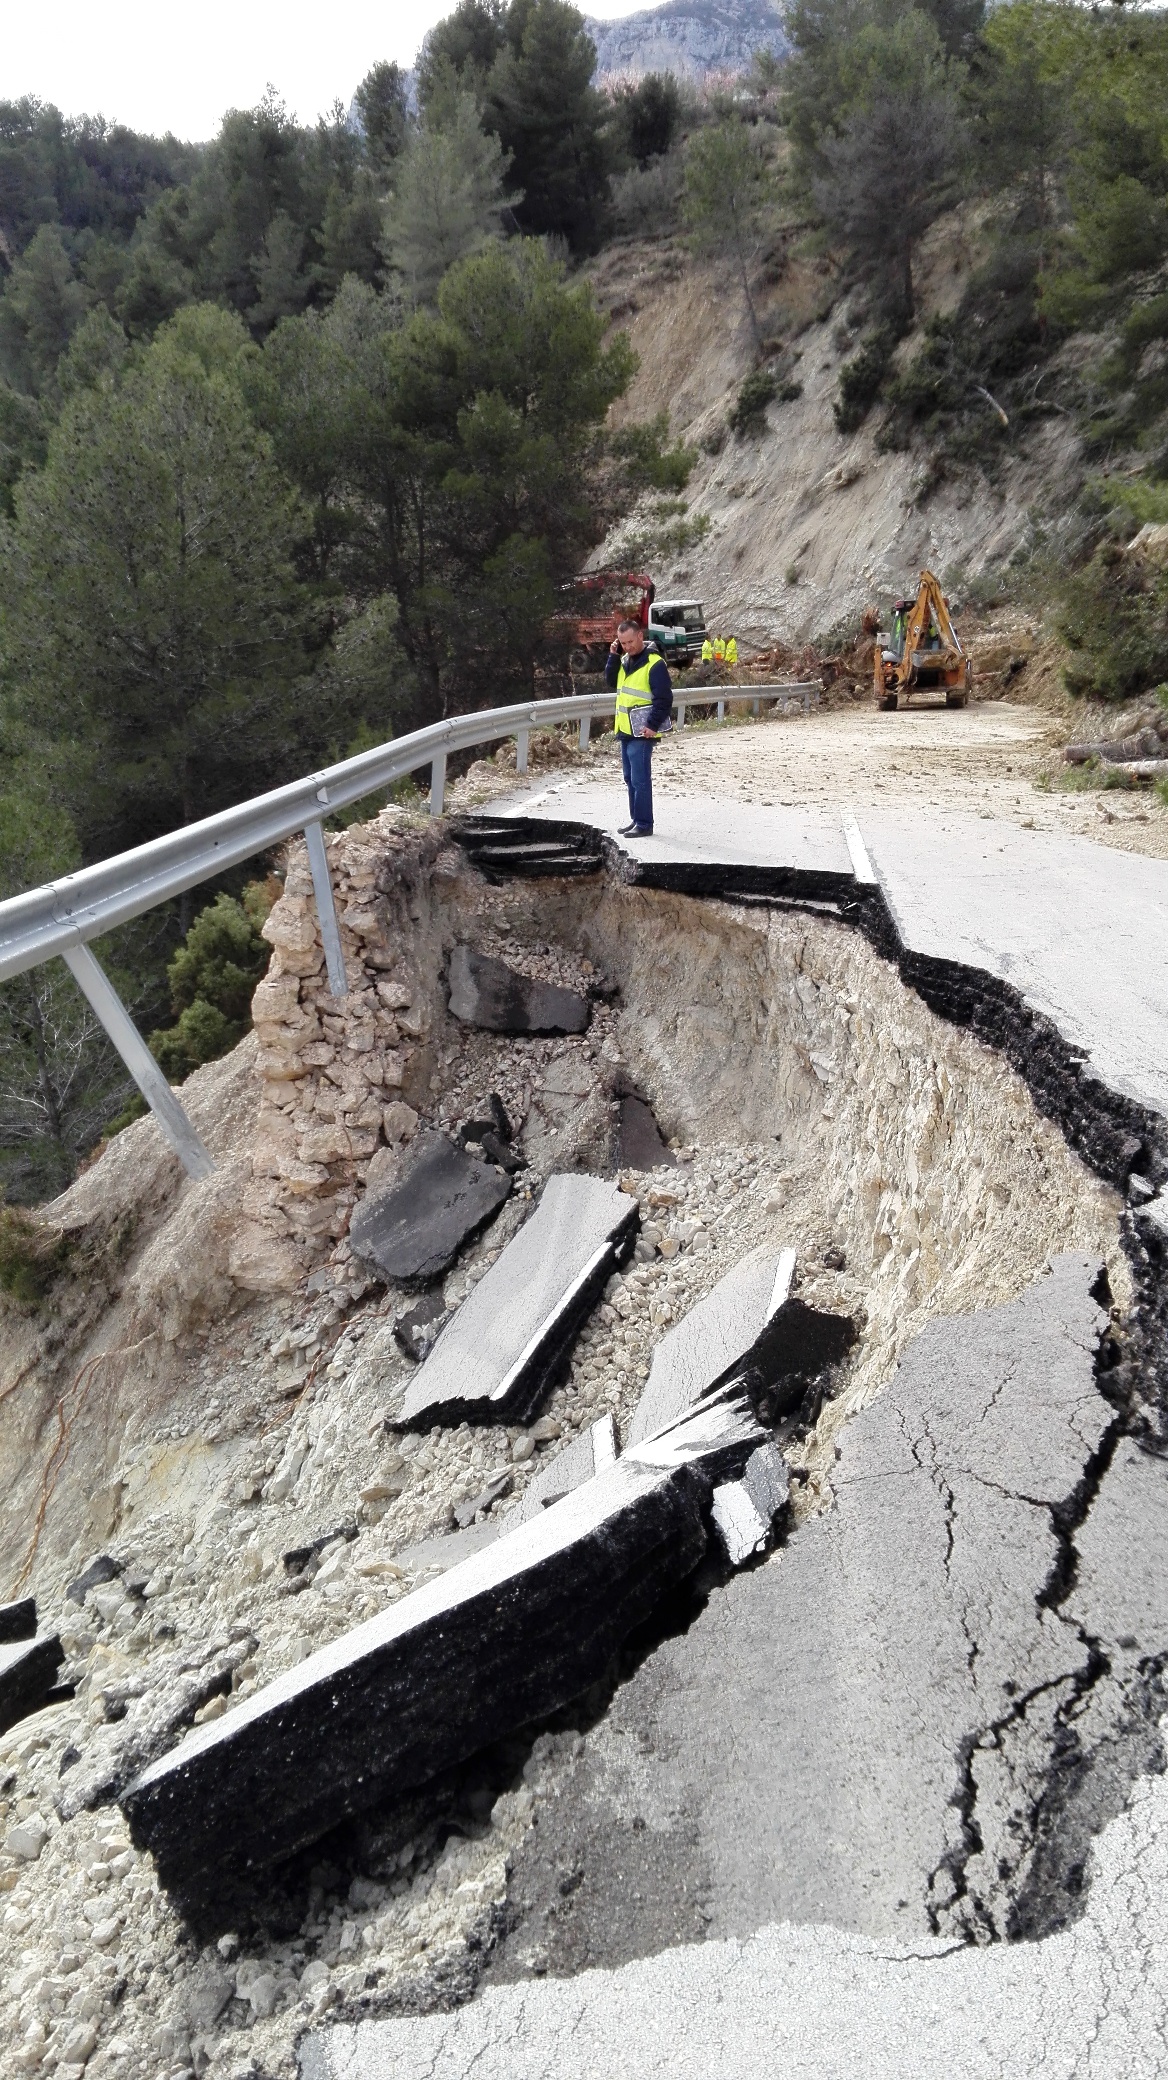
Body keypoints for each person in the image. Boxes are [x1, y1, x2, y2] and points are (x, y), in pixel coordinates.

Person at [606, 618, 672, 837]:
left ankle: (644, 824)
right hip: (625, 730)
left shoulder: (655, 663)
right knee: (629, 777)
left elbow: (664, 699)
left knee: (639, 778)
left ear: (640, 636)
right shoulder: (624, 661)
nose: (627, 646)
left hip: (643, 732)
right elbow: (610, 681)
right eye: (623, 643)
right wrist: (613, 656)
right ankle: (636, 820)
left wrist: (652, 726)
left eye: (630, 642)